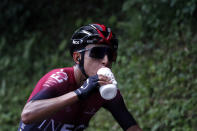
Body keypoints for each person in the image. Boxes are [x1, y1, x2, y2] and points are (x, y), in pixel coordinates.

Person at [18, 23, 142, 131]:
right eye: (97, 53)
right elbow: (27, 115)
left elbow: (132, 127)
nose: (106, 61)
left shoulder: (106, 89)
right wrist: (80, 92)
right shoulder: (61, 78)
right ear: (78, 57)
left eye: (111, 55)